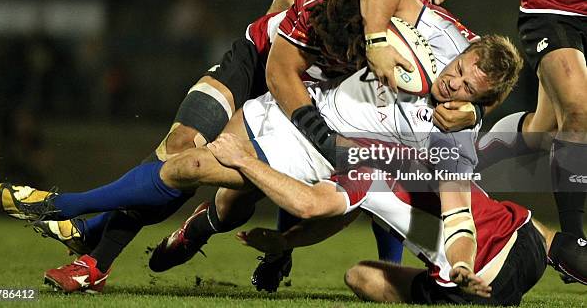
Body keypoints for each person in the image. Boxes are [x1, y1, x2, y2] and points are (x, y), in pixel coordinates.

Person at [0, 0, 484, 293]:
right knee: (184, 154)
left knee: (229, 205)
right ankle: (84, 239)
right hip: (272, 74)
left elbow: (363, 200)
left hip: (325, 130)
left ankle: (187, 227)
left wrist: (469, 117)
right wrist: (375, 41)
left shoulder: (454, 76)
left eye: (468, 83)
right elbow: (283, 70)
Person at [206, 131, 586, 305]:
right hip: (527, 243)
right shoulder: (411, 146)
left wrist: (244, 160)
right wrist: (287, 242)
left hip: (478, 276)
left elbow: (308, 204)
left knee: (360, 276)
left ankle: (462, 281)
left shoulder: (364, 173)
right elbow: (337, 216)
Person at [420, 0, 587, 242]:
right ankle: (575, 242)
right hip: (553, 15)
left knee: (545, 131)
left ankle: (479, 155)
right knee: (579, 109)